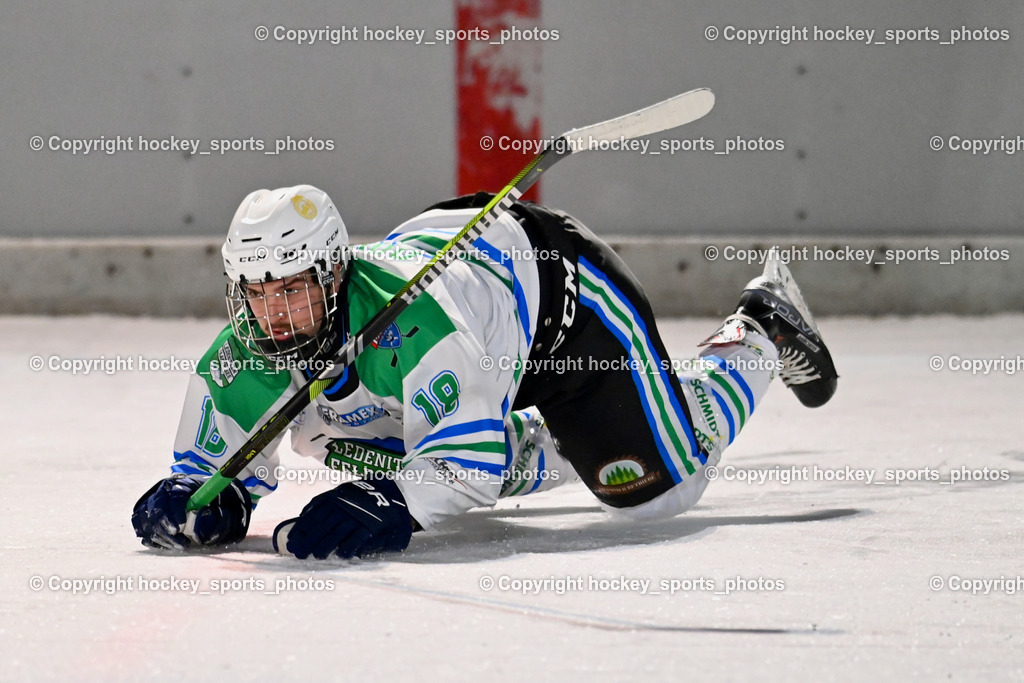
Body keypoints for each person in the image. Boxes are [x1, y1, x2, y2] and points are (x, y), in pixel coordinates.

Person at [131, 184, 838, 560]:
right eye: (256, 292)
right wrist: (206, 498)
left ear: (333, 274)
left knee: (656, 494)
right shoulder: (246, 349)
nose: (274, 314)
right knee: (331, 431)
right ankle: (523, 437)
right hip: (478, 327)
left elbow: (461, 468)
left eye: (291, 289)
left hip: (562, 308)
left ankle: (758, 330)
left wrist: (394, 501)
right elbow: (211, 464)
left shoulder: (422, 325)